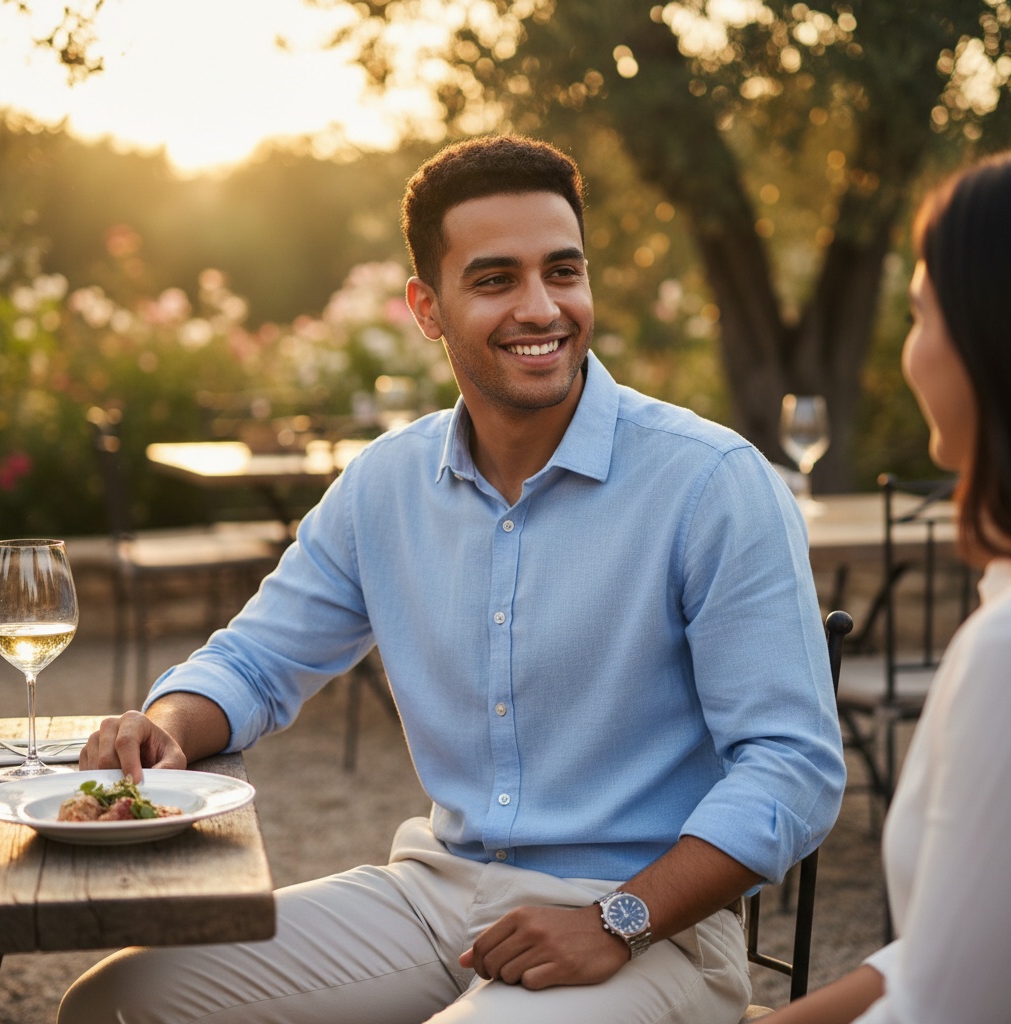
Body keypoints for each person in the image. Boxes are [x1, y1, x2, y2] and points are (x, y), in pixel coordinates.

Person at [59, 134, 845, 1024]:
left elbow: (794, 768)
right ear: (427, 309)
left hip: (649, 927)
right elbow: (255, 661)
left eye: (563, 271)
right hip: (437, 894)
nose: (542, 307)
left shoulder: (710, 482)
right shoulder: (385, 484)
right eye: (496, 279)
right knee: (116, 1005)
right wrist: (166, 729)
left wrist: (616, 920)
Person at [765, 153, 1011, 1023]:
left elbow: (942, 1006)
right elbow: (956, 948)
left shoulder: (1001, 654)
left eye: (918, 313)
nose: (908, 350)